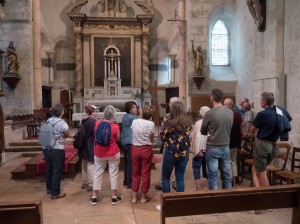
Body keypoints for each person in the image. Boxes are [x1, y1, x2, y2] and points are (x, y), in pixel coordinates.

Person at [201, 89, 233, 190]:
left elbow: (203, 131)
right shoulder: (230, 112)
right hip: (225, 146)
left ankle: (214, 202)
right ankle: (227, 200)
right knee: (227, 176)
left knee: (213, 177)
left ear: (212, 98)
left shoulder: (210, 113)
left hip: (213, 147)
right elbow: (230, 127)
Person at [90, 105, 121, 205]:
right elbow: (118, 139)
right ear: (113, 115)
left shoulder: (97, 124)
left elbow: (96, 136)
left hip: (99, 152)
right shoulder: (115, 126)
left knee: (97, 173)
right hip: (112, 152)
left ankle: (94, 197)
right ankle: (114, 197)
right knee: (113, 174)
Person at [160, 101, 193, 193]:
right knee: (180, 178)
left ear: (173, 111)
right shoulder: (188, 123)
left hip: (171, 152)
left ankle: (167, 203)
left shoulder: (168, 123)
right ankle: (179, 202)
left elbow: (162, 138)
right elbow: (188, 137)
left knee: (165, 177)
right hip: (184, 153)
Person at [249, 92, 281, 188]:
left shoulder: (262, 114)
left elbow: (252, 128)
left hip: (263, 144)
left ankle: (267, 195)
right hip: (273, 145)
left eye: (260, 100)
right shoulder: (279, 113)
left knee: (262, 171)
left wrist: (256, 128)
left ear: (264, 101)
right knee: (255, 169)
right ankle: (258, 190)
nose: (259, 101)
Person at [43, 104, 71, 199]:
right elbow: (69, 134)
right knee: (57, 170)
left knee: (49, 168)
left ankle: (49, 188)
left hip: (46, 148)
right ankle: (55, 192)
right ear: (61, 112)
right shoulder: (62, 123)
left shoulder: (48, 121)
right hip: (57, 148)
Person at [155, 96, 180, 191]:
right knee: (179, 166)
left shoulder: (168, 117)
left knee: (165, 167)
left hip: (169, 145)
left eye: (169, 103)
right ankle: (176, 182)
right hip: (181, 147)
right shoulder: (185, 117)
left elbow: (163, 133)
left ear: (172, 105)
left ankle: (163, 183)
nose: (169, 104)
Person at [131, 105, 155, 203]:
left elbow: (133, 131)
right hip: (146, 148)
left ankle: (134, 196)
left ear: (142, 113)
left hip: (135, 148)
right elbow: (152, 138)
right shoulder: (151, 124)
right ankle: (144, 196)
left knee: (135, 172)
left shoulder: (135, 121)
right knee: (145, 173)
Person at [190, 106, 210, 191]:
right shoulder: (212, 122)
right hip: (208, 148)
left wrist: (196, 149)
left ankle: (198, 187)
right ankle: (208, 186)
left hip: (199, 149)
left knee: (196, 167)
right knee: (208, 167)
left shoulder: (198, 123)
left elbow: (195, 137)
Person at [224, 98, 242, 187]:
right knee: (233, 162)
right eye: (224, 104)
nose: (225, 106)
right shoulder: (236, 116)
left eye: (227, 104)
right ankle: (234, 181)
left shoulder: (225, 117)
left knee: (228, 163)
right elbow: (239, 131)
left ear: (231, 105)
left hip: (228, 144)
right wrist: (239, 145)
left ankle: (230, 181)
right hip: (235, 143)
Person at [120, 101, 138, 190]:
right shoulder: (132, 118)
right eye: (134, 107)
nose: (136, 109)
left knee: (127, 162)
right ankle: (130, 183)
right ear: (129, 109)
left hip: (124, 141)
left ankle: (126, 180)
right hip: (130, 141)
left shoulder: (125, 116)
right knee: (130, 163)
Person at [79, 105, 98, 191]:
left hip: (82, 144)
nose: (97, 113)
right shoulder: (93, 121)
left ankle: (84, 182)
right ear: (92, 113)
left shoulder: (83, 120)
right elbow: (95, 134)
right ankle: (90, 184)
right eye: (96, 111)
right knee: (90, 164)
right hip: (90, 144)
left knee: (84, 164)